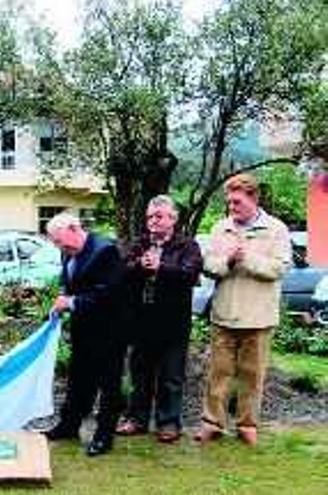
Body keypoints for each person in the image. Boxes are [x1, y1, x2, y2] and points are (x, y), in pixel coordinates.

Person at [195, 174, 291, 446]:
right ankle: (212, 423)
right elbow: (208, 266)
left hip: (259, 317)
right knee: (218, 374)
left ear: (253, 198)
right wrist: (227, 259)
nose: (231, 207)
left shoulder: (276, 229)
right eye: (228, 202)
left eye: (237, 201)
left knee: (252, 376)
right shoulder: (219, 228)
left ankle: (247, 425)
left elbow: (279, 268)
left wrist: (246, 258)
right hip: (224, 314)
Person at [116, 196, 203, 443]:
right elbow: (122, 271)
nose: (153, 221)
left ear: (173, 219)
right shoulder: (139, 243)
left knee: (171, 376)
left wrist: (161, 267)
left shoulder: (187, 245)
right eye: (150, 217)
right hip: (142, 321)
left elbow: (190, 274)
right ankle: (136, 419)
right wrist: (139, 266)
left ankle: (169, 423)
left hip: (173, 322)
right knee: (140, 373)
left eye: (159, 216)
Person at [45, 212, 126, 457]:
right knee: (78, 380)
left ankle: (104, 436)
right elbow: (68, 281)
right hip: (83, 328)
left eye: (60, 241)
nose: (59, 247)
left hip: (109, 331)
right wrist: (62, 298)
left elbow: (108, 295)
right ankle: (69, 426)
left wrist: (70, 302)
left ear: (74, 228)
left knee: (108, 384)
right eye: (56, 243)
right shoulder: (68, 251)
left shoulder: (106, 251)